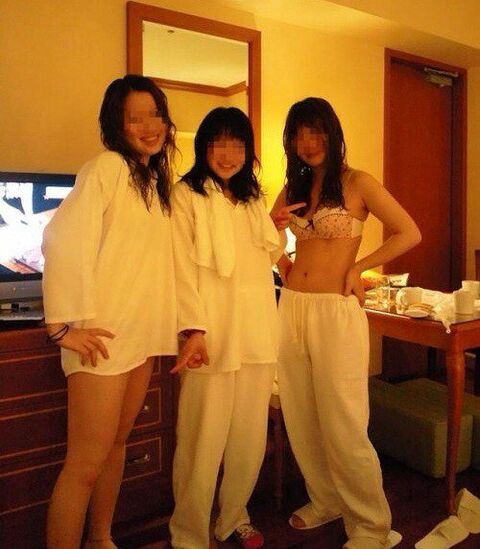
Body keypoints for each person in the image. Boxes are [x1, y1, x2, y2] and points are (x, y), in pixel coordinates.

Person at [270, 97, 421, 549]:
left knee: (344, 421)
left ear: (332, 133)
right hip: (292, 307)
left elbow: (409, 232)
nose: (308, 142)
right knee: (302, 415)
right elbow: (264, 231)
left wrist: (359, 268)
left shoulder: (358, 182)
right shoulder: (294, 186)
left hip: (336, 311)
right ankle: (326, 500)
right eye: (299, 134)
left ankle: (372, 525)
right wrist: (281, 259)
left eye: (316, 131)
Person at [42, 75, 178, 549]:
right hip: (100, 335)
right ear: (116, 126)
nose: (149, 126)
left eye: (155, 114)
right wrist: (60, 328)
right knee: (84, 463)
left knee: (116, 446)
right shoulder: (106, 168)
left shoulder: (155, 181)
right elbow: (60, 239)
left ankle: (101, 538)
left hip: (138, 335)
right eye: (135, 118)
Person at [169, 107, 283, 549]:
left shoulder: (253, 198)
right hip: (210, 333)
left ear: (248, 150)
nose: (228, 154)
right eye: (219, 142)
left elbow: (264, 259)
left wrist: (275, 226)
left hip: (256, 329)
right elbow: (180, 267)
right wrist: (193, 329)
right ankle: (189, 533)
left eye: (238, 144)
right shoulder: (186, 195)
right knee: (201, 439)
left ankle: (234, 516)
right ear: (204, 147)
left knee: (249, 437)